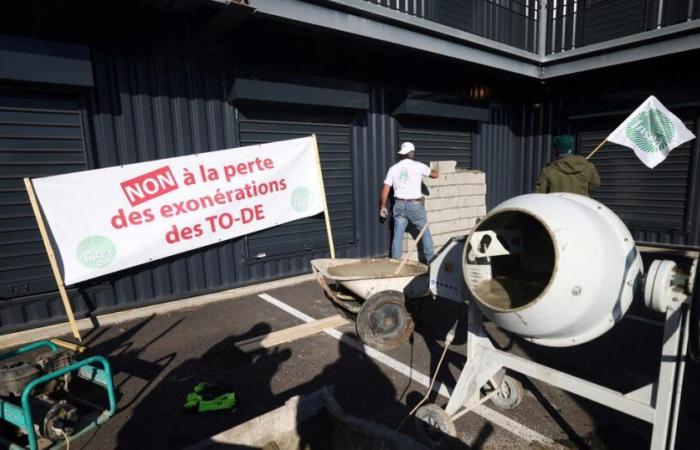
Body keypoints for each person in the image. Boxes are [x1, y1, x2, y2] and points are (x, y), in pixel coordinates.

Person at [379, 142, 439, 263]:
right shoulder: (418, 166)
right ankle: (431, 261)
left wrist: (382, 206)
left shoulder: (393, 168)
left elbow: (386, 189)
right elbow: (435, 175)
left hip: (399, 205)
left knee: (398, 235)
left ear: (402, 154)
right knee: (425, 233)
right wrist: (435, 168)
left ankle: (395, 262)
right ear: (412, 153)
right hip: (415, 205)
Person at [534, 134, 601, 196]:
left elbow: (539, 193)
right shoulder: (588, 166)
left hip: (556, 206)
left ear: (556, 149)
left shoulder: (548, 170)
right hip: (580, 206)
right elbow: (595, 185)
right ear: (571, 148)